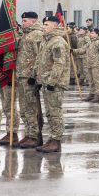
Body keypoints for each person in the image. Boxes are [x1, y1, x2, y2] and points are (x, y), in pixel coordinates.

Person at [35, 14, 71, 153]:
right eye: (43, 24)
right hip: (46, 82)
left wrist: (52, 81)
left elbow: (59, 64)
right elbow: (41, 61)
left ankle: (56, 140)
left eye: (46, 25)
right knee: (50, 112)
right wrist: (38, 79)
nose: (43, 27)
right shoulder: (47, 40)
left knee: (55, 112)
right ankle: (52, 138)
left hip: (55, 84)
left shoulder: (58, 42)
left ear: (55, 26)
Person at [16, 11, 46, 148]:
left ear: (33, 21)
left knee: (31, 107)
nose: (23, 23)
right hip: (22, 75)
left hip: (30, 76)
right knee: (24, 107)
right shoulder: (26, 34)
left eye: (25, 21)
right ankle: (28, 133)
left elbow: (40, 57)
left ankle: (34, 136)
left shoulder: (37, 35)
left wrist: (35, 77)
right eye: (22, 21)